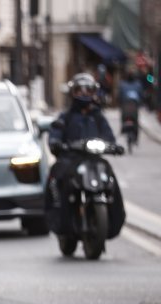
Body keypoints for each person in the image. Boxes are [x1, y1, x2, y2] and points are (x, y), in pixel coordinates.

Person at [46, 72, 120, 234]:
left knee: (111, 179)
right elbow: (55, 132)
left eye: (89, 90)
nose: (84, 93)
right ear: (73, 93)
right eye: (80, 90)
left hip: (94, 159)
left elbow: (109, 136)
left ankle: (114, 220)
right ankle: (61, 219)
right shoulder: (65, 117)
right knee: (59, 175)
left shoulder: (98, 116)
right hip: (72, 160)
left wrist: (114, 146)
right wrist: (56, 143)